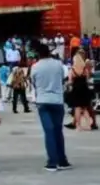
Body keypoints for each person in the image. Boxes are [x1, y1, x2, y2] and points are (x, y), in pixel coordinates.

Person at [29, 42, 72, 173]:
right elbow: (63, 78)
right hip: (57, 100)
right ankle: (62, 160)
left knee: (49, 131)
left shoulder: (35, 67)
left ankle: (52, 162)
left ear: (38, 54)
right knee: (58, 131)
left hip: (43, 101)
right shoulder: (58, 64)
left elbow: (33, 83)